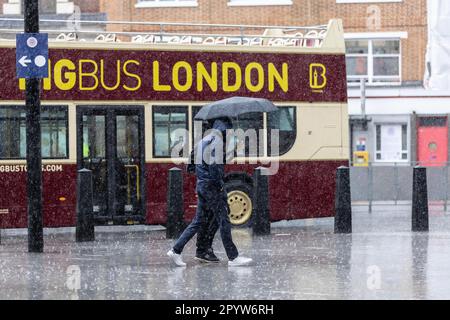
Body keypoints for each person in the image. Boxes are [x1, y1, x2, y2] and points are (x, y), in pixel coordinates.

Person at [167, 118, 253, 267]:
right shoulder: (217, 141)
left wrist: (229, 155)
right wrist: (219, 183)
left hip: (202, 185)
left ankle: (176, 250)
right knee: (224, 220)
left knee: (198, 221)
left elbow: (193, 163)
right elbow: (214, 166)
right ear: (225, 129)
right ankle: (233, 257)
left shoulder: (204, 140)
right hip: (212, 187)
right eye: (229, 131)